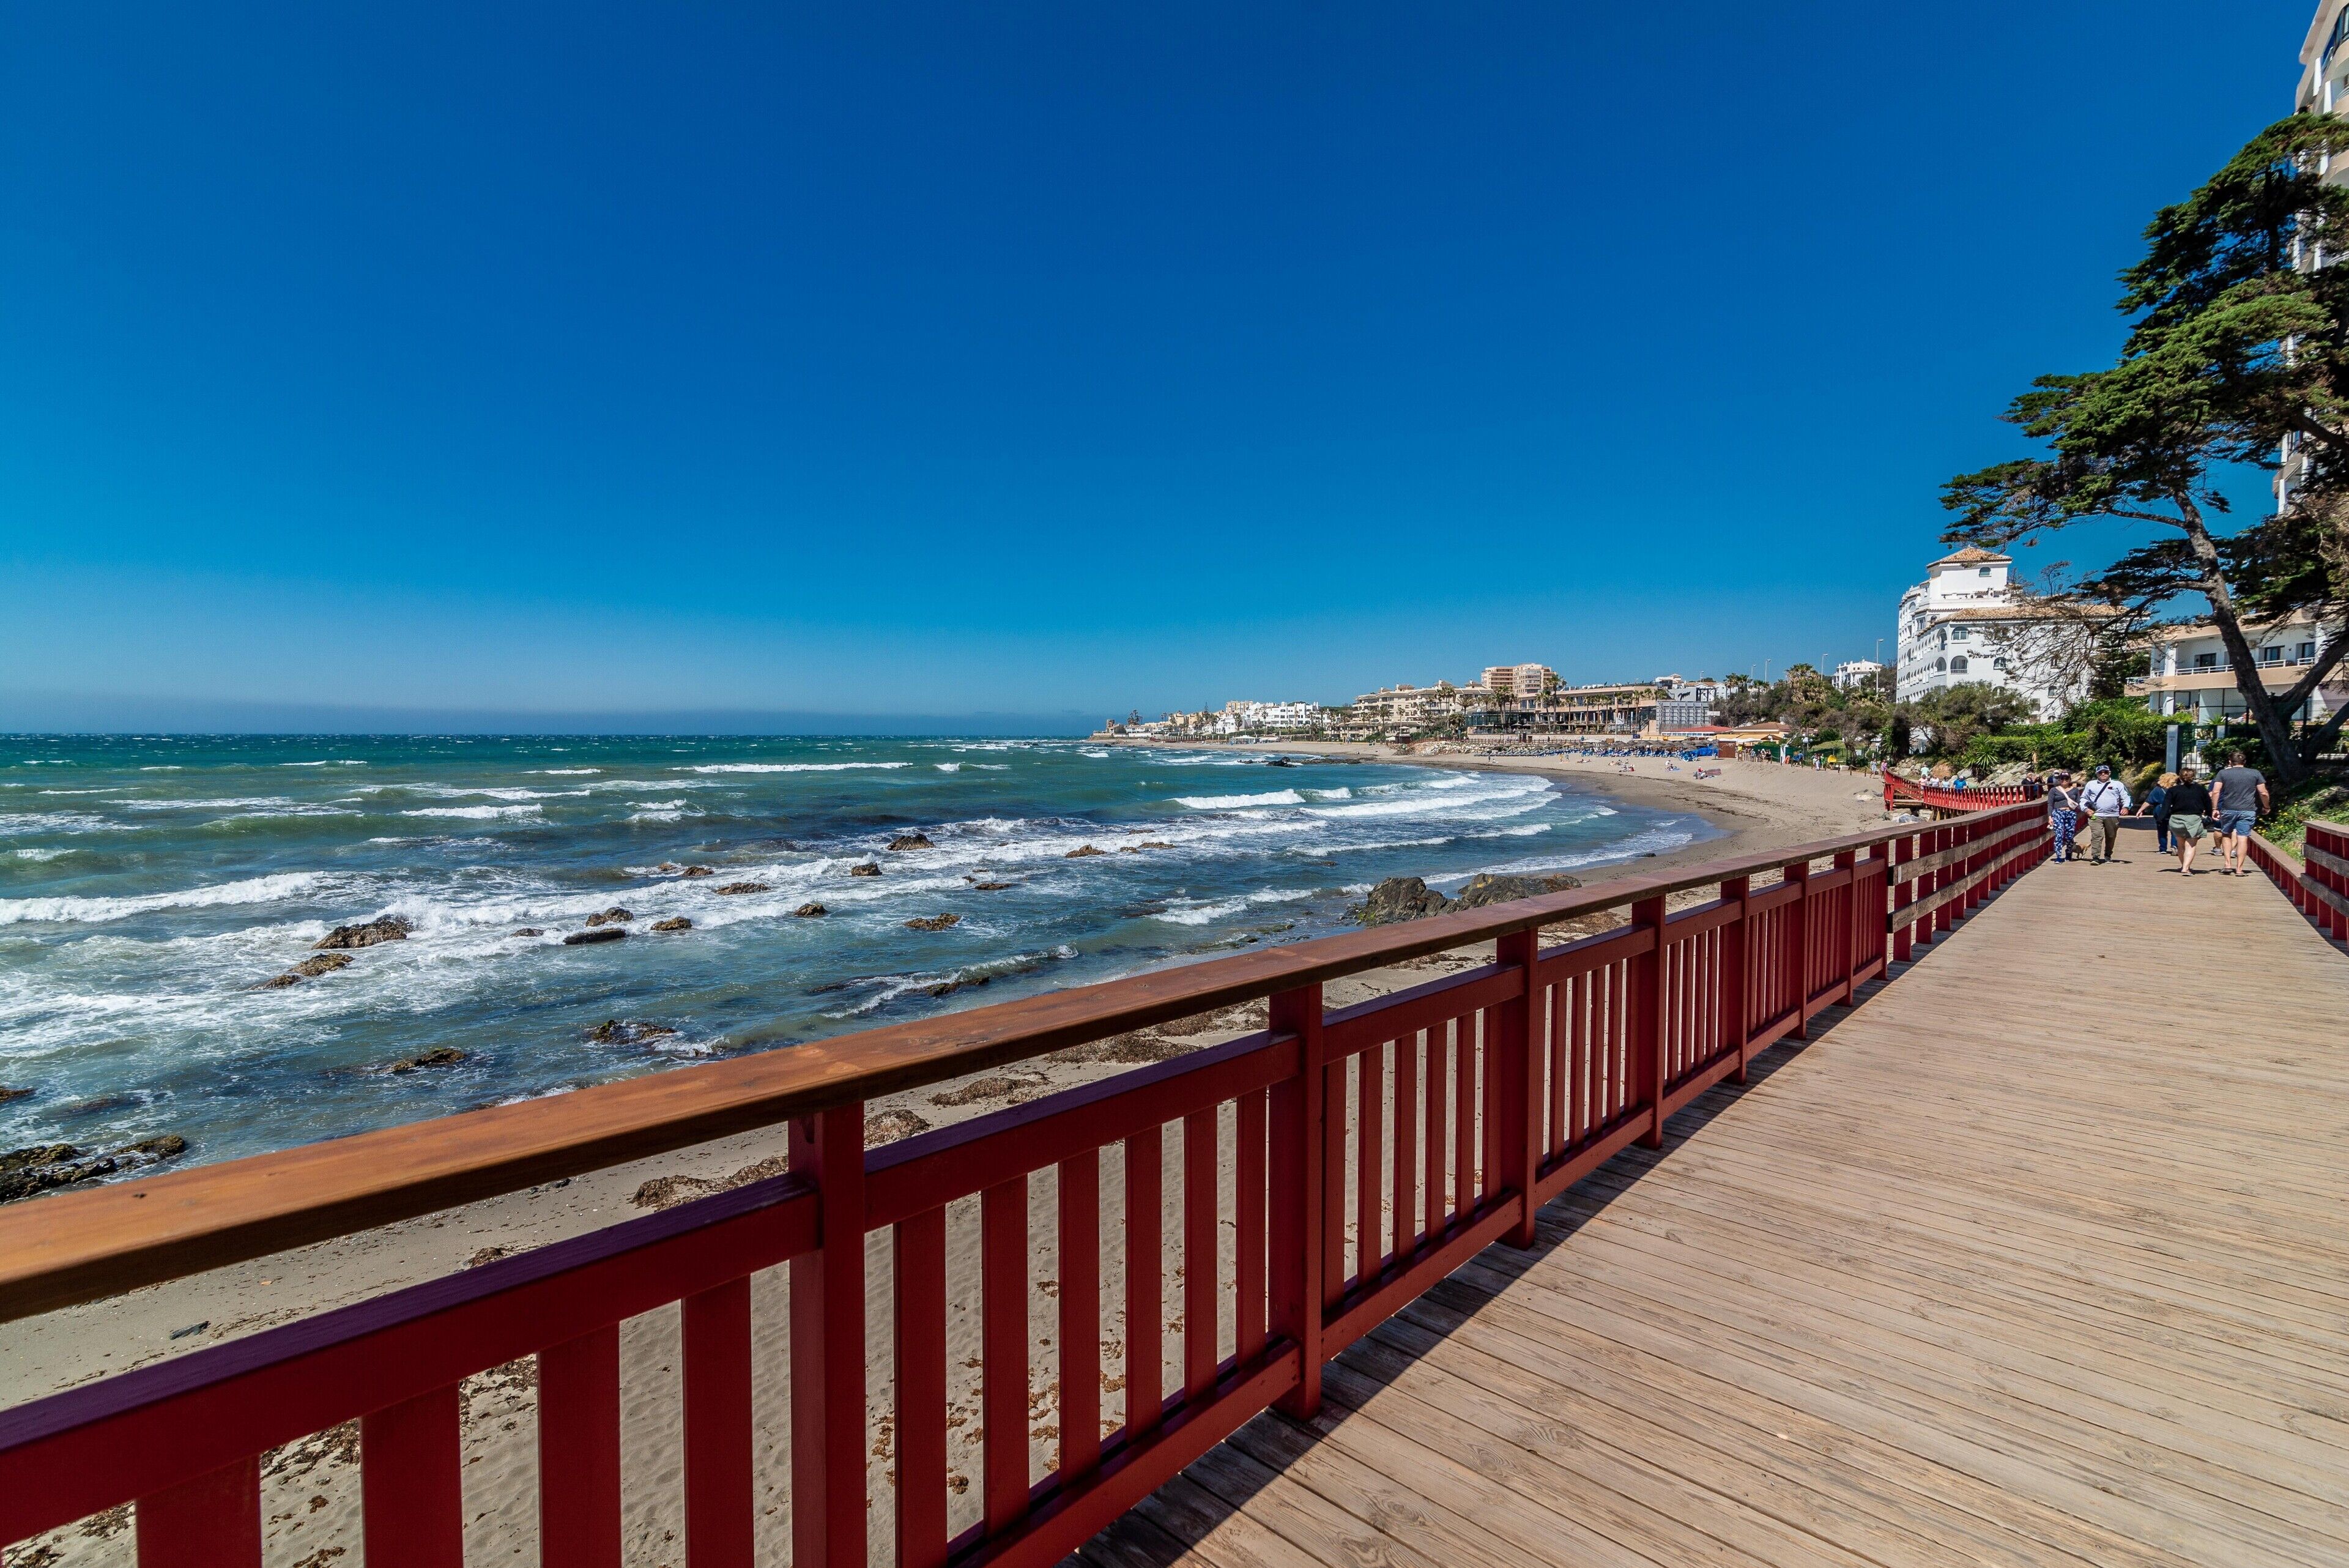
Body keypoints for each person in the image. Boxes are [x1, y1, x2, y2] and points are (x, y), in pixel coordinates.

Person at [2211, 749, 2271, 875]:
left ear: (2230, 762)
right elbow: (2263, 792)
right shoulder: (2255, 773)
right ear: (2245, 761)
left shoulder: (2223, 773)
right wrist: (2266, 806)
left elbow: (2216, 792)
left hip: (2228, 809)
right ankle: (2239, 868)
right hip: (2248, 810)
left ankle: (2227, 864)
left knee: (2226, 834)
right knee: (2243, 837)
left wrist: (2215, 809)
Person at [2077, 764, 2132, 864]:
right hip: (2096, 815)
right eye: (2101, 772)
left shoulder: (2118, 784)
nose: (2103, 774)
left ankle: (2108, 855)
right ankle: (2096, 857)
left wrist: (2126, 807)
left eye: (2105, 772)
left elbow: (2126, 797)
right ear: (2097, 774)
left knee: (2111, 836)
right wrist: (2086, 809)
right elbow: (2083, 799)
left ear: (2109, 773)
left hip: (2112, 815)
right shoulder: (2091, 784)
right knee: (2097, 836)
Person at [2165, 764, 2213, 875]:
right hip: (2194, 819)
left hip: (2176, 819)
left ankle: (2184, 866)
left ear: (2180, 777)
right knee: (2191, 845)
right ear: (2193, 777)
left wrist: (2162, 818)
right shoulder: (2201, 790)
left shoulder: (2173, 790)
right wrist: (2210, 816)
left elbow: (2166, 806)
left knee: (2181, 845)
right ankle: (2186, 868)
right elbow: (2208, 805)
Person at [2047, 771, 2080, 863]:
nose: (2064, 780)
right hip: (2058, 812)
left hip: (2071, 813)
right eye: (2062, 779)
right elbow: (2050, 804)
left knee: (2070, 835)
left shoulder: (2075, 790)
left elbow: (2078, 803)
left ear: (2070, 780)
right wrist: (2050, 817)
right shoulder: (2053, 790)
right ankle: (2058, 856)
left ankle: (2069, 852)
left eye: (2066, 779)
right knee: (2059, 834)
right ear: (2059, 780)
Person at [2146, 771, 2176, 854]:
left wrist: (2140, 810)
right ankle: (2175, 846)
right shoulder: (2176, 789)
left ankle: (2163, 849)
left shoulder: (2157, 789)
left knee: (2162, 830)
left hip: (2160, 811)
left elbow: (2149, 801)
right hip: (2174, 811)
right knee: (2175, 830)